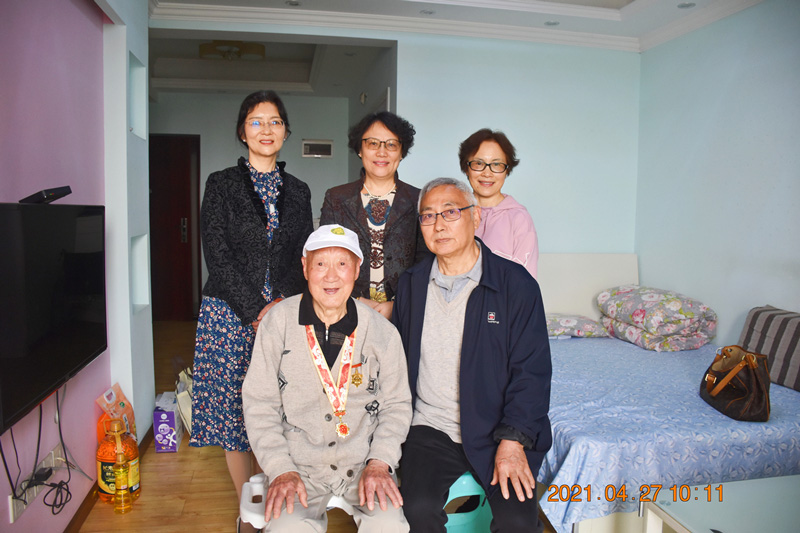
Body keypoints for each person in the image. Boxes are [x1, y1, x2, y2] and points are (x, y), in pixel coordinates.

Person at [392, 177, 552, 533]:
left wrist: (513, 441)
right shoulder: (412, 284)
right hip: (430, 428)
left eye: (450, 212)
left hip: (499, 428)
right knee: (417, 511)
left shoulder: (516, 285)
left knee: (516, 522)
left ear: (475, 217)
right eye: (428, 216)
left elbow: (532, 373)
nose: (439, 225)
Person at [190, 90, 314, 528]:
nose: (266, 129)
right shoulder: (220, 184)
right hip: (228, 314)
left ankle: (274, 501)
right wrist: (255, 309)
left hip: (283, 314)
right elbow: (217, 253)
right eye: (256, 121)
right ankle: (248, 510)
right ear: (242, 131)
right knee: (233, 414)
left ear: (286, 132)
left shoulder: (299, 191)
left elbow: (304, 255)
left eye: (275, 121)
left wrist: (279, 306)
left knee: (276, 410)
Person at [242, 224, 412, 532]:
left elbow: (397, 405)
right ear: (305, 267)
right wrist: (280, 468)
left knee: (390, 526)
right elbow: (259, 403)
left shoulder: (383, 333)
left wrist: (380, 461)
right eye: (320, 263)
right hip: (298, 467)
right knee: (287, 529)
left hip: (363, 465)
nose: (331, 276)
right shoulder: (277, 324)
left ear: (357, 269)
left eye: (342, 263)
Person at [320, 111, 428, 320]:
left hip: (404, 312)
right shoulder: (336, 198)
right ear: (360, 150)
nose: (382, 152)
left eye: (391, 145)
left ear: (401, 152)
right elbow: (326, 257)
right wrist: (356, 300)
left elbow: (425, 262)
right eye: (373, 143)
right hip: (347, 309)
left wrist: (397, 304)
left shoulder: (419, 200)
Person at [459, 128, 539, 278]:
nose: (487, 173)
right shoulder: (454, 214)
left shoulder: (519, 219)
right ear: (466, 167)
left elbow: (524, 283)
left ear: (506, 170)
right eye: (478, 163)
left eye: (496, 164)